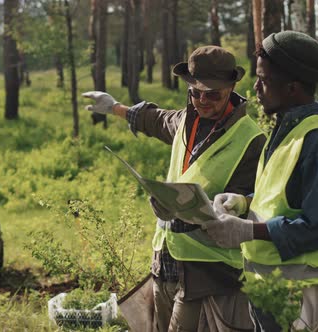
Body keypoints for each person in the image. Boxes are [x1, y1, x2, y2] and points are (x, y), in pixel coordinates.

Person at [83, 46, 266, 331]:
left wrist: (238, 203)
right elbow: (154, 120)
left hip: (207, 272)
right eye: (195, 92)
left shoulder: (251, 139)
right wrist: (114, 108)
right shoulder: (184, 119)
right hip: (166, 259)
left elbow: (253, 203)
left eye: (212, 94)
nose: (202, 101)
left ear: (231, 88)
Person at [204, 31, 318, 331]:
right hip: (273, 288)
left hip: (302, 298)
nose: (256, 87)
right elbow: (282, 197)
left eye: (264, 80)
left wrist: (248, 231)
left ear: (292, 88)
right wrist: (243, 202)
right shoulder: (287, 131)